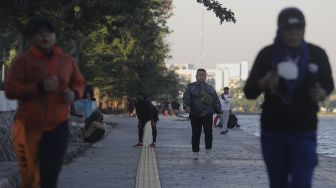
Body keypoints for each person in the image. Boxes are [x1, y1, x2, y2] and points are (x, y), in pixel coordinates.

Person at [244, 8, 334, 188]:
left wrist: (322, 93)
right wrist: (264, 82)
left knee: (302, 182)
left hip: (304, 130)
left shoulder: (317, 53)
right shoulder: (267, 54)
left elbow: (328, 84)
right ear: (280, 29)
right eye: (289, 29)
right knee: (278, 184)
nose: (294, 33)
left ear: (304, 29)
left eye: (298, 28)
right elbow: (249, 92)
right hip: (273, 131)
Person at [5, 19, 85, 188]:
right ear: (33, 37)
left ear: (55, 36)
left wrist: (74, 93)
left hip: (58, 125)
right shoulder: (22, 61)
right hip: (28, 126)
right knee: (29, 177)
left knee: (50, 174)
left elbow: (79, 83)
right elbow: (10, 90)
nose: (44, 36)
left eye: (48, 32)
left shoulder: (66, 61)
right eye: (39, 33)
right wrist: (39, 87)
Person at [183, 68, 222, 159]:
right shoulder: (190, 87)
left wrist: (219, 111)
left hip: (207, 114)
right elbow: (186, 98)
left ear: (205, 77)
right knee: (195, 133)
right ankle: (195, 152)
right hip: (194, 114)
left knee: (208, 132)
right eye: (200, 75)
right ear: (196, 76)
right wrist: (187, 106)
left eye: (203, 75)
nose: (201, 76)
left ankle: (208, 151)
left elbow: (216, 100)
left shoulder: (210, 88)